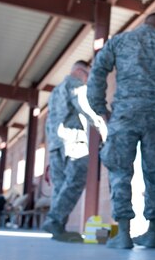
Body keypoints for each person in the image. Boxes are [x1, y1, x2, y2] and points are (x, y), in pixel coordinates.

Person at [87, 13, 155, 249]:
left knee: (120, 172)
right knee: (154, 173)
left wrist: (100, 108)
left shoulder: (120, 41)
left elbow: (98, 71)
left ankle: (123, 234)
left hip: (124, 115)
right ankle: (152, 233)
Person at [41, 60, 107, 242]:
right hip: (72, 138)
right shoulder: (74, 83)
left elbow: (48, 123)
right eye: (88, 76)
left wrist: (51, 145)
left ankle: (58, 228)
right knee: (77, 178)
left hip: (55, 143)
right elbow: (84, 106)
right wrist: (103, 125)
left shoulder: (55, 92)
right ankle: (54, 221)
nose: (88, 81)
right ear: (80, 71)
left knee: (60, 186)